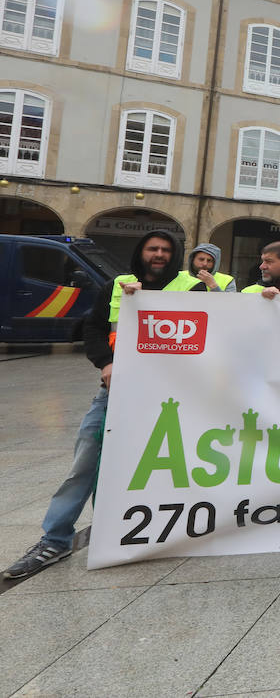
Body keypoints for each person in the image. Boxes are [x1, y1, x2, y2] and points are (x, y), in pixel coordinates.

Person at [3, 229, 181, 579]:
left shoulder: (191, 288)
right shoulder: (116, 286)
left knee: (167, 468)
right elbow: (94, 329)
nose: (158, 255)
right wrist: (106, 363)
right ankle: (55, 539)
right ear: (140, 253)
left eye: (165, 250)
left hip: (172, 398)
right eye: (152, 249)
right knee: (84, 465)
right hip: (115, 393)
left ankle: (144, 531)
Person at [168, 242, 237, 293]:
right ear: (192, 260)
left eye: (209, 261)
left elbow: (230, 306)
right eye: (201, 259)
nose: (204, 264)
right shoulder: (177, 276)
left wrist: (213, 286)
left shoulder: (227, 280)